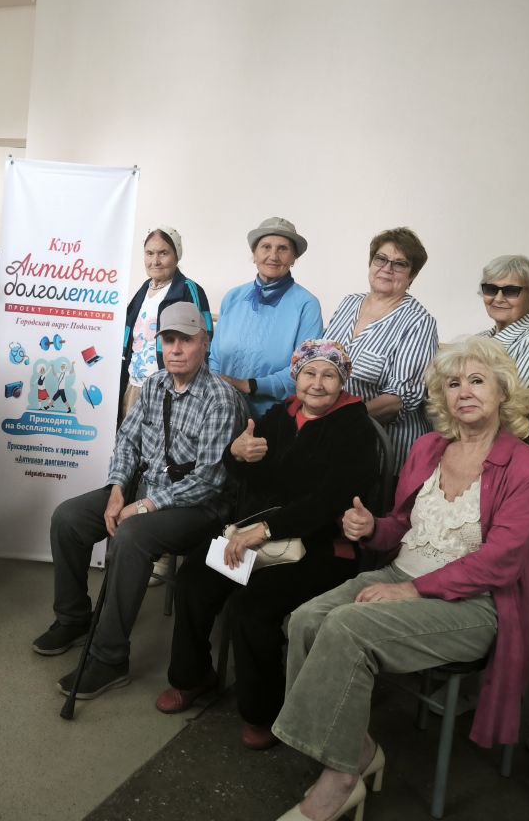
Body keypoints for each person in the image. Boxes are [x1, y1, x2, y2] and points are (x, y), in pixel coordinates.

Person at [271, 337, 529, 821]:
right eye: (453, 384)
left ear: (503, 391)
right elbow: (402, 526)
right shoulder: (428, 448)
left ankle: (340, 781)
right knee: (305, 619)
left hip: (473, 605)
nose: (464, 392)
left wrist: (412, 589)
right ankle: (359, 751)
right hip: (400, 573)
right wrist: (371, 528)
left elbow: (500, 563)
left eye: (477, 381)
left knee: (345, 627)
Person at [159, 340, 377, 750]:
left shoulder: (356, 429)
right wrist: (237, 454)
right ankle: (193, 677)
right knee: (194, 579)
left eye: (329, 375)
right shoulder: (281, 415)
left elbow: (329, 501)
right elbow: (248, 477)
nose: (317, 383)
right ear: (296, 376)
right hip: (261, 536)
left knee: (253, 607)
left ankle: (263, 711)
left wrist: (263, 530)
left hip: (321, 546)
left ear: (342, 382)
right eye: (309, 373)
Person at [31, 302, 246, 700]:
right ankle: (74, 617)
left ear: (205, 343)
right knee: (68, 518)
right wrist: (117, 489)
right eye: (169, 339)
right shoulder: (154, 384)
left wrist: (143, 506)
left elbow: (209, 481)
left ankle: (110, 658)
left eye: (186, 340)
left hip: (198, 508)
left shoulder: (221, 399)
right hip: (143, 488)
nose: (176, 349)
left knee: (131, 538)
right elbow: (128, 441)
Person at [323, 227, 438, 470]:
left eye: (400, 264)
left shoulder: (419, 322)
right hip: (330, 437)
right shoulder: (349, 303)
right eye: (381, 259)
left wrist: (338, 420)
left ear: (412, 275)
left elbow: (398, 400)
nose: (387, 268)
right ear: (370, 263)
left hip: (382, 448)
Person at [210, 217, 324, 419]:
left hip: (274, 418)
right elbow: (215, 357)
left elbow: (305, 370)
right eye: (266, 247)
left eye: (283, 249)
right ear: (254, 254)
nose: (273, 256)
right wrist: (219, 389)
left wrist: (249, 385)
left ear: (294, 258)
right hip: (221, 409)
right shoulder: (233, 297)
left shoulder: (307, 305)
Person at [120, 226, 212, 418]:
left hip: (169, 389)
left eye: (163, 253)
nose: (155, 261)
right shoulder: (143, 290)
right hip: (134, 385)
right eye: (149, 253)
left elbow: (204, 339)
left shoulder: (189, 290)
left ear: (177, 256)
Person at [477, 254, 529, 406]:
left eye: (511, 291)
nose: (498, 298)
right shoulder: (479, 339)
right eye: (491, 289)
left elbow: (516, 406)